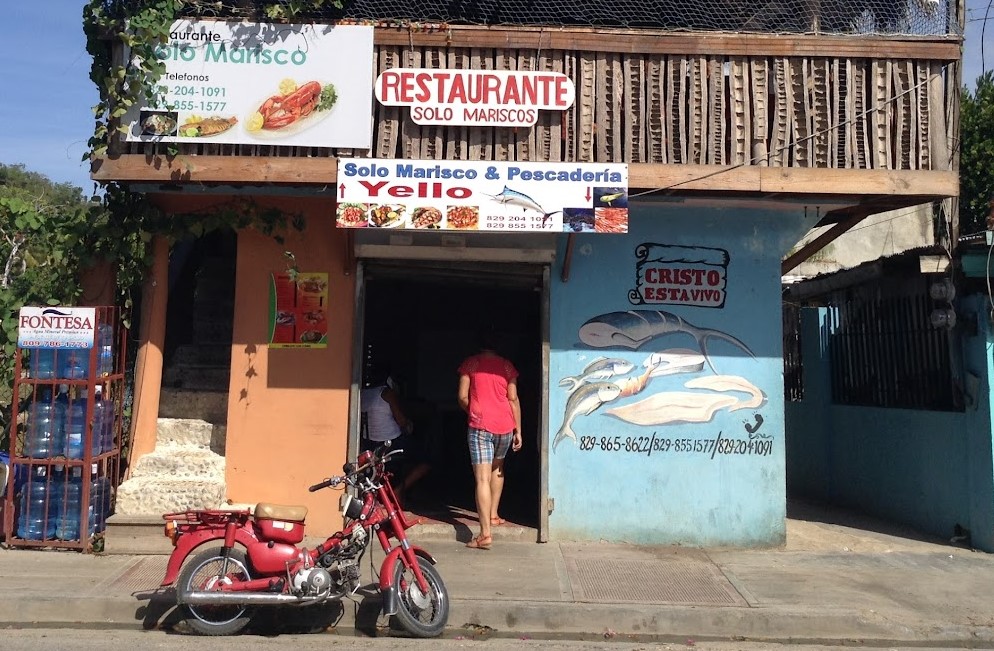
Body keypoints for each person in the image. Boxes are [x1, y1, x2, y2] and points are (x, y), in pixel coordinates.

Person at [457, 331, 522, 550]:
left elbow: (462, 396)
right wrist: (518, 430)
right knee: (498, 468)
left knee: (482, 479)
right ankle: (494, 514)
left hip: (481, 426)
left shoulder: (471, 364)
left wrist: (473, 412)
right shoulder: (507, 367)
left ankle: (485, 534)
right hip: (505, 425)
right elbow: (513, 398)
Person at [359, 368, 429, 500]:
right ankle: (398, 490)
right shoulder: (386, 393)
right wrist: (409, 423)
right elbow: (401, 421)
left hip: (369, 443)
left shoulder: (362, 393)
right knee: (427, 460)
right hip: (391, 442)